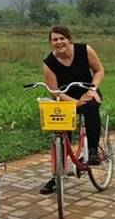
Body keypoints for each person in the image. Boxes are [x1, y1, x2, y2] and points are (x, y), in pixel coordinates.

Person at [39, 25, 105, 195]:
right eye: (55, 39)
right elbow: (55, 92)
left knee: (91, 109)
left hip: (88, 91)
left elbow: (99, 71)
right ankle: (56, 176)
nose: (59, 42)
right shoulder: (49, 63)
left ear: (69, 39)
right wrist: (75, 103)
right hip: (65, 98)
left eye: (62, 38)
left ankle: (93, 151)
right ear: (50, 42)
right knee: (61, 132)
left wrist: (92, 89)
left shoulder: (84, 50)